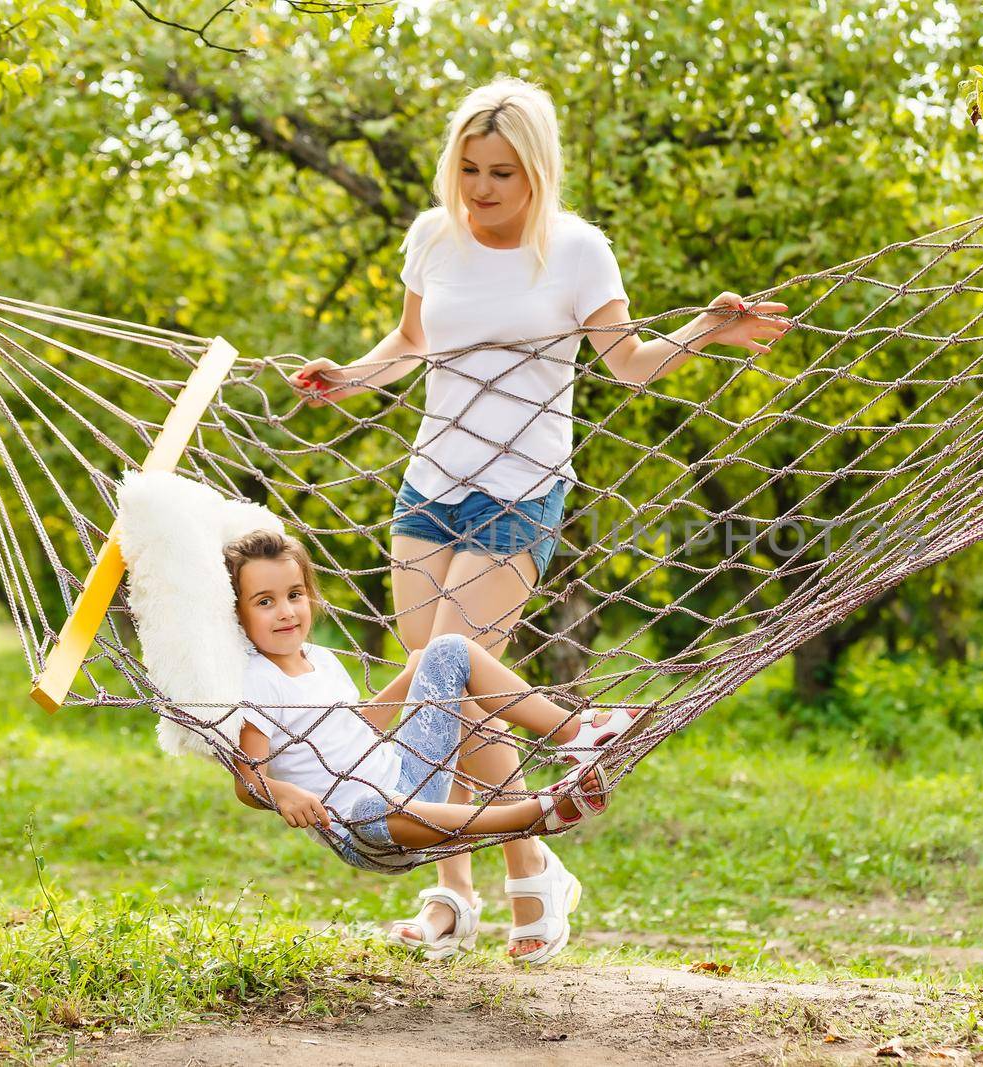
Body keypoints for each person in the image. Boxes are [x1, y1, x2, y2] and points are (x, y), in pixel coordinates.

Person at [286, 75, 788, 961]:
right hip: (428, 488)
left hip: (519, 493)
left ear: (538, 172)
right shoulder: (433, 237)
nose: (482, 189)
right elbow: (410, 342)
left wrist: (708, 329)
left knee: (449, 667)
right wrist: (352, 375)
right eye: (470, 169)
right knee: (447, 683)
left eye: (502, 173)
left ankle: (523, 864)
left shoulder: (578, 252)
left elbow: (627, 363)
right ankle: (473, 891)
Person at [225, 528, 634, 965]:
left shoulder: (320, 660)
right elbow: (247, 780)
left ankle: (576, 733)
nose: (286, 612)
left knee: (449, 651)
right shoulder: (256, 682)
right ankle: (534, 815)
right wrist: (282, 793)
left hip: (408, 775)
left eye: (294, 594)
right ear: (236, 614)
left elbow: (356, 729)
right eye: (264, 602)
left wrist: (410, 678)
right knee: (369, 808)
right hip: (367, 829)